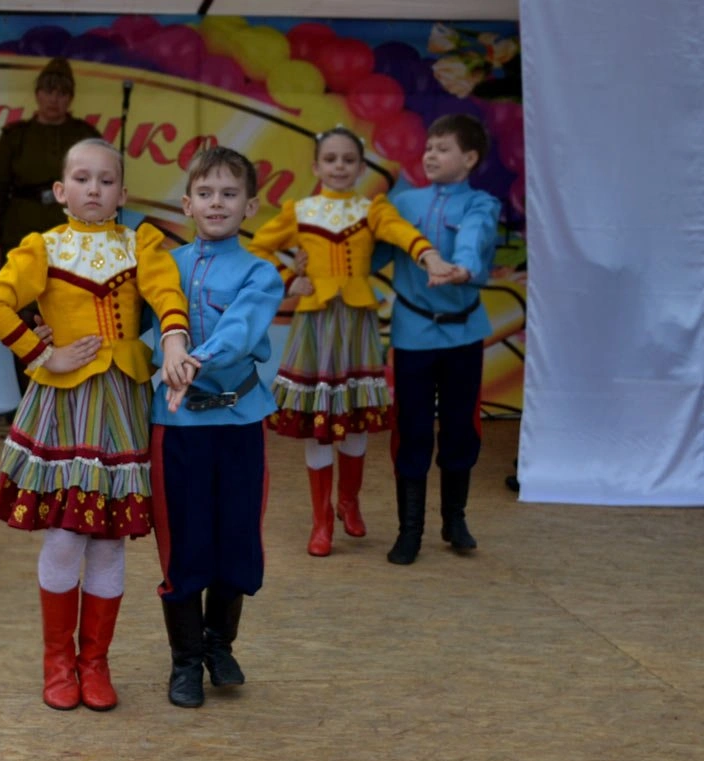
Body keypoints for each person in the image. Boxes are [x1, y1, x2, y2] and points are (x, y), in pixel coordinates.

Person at [0, 138, 192, 712]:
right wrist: (43, 354)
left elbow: (167, 293)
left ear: (122, 193)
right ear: (60, 190)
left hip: (121, 402)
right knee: (67, 533)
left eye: (106, 180)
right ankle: (58, 663)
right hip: (64, 406)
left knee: (110, 539)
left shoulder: (141, 243)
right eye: (82, 178)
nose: (94, 189)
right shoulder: (42, 247)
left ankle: (95, 662)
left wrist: (174, 338)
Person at [248, 126, 455, 558]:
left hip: (357, 326)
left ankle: (349, 501)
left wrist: (429, 255)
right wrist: (289, 278)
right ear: (316, 166)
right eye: (331, 159)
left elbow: (401, 232)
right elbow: (259, 248)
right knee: (320, 421)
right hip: (316, 326)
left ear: (361, 168)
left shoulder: (371, 209)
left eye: (348, 160)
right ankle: (321, 519)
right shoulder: (300, 210)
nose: (339, 167)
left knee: (355, 418)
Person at [150, 146, 285, 709]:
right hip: (176, 425)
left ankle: (218, 645)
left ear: (250, 206)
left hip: (239, 422)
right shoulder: (163, 268)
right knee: (183, 541)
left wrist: (190, 361)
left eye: (230, 194)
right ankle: (184, 662)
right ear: (187, 204)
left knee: (237, 536)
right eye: (205, 193)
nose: (217, 203)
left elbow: (241, 329)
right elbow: (126, 321)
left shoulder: (261, 273)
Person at [382, 114, 501, 566]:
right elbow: (370, 250)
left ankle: (455, 518)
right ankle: (409, 530)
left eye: (443, 148)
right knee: (412, 428)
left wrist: (463, 267)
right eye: (429, 147)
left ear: (469, 158)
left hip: (463, 334)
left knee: (459, 426)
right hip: (413, 334)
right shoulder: (402, 202)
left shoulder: (481, 204)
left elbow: (474, 237)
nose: (431, 155)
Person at [0, 57, 101, 396]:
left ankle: (71, 393)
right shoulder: (16, 136)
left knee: (71, 311)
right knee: (23, 316)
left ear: (71, 97)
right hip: (21, 232)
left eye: (62, 93)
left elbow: (102, 187)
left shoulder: (84, 136)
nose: (54, 99)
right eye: (48, 91)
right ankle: (29, 398)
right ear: (37, 94)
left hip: (74, 235)